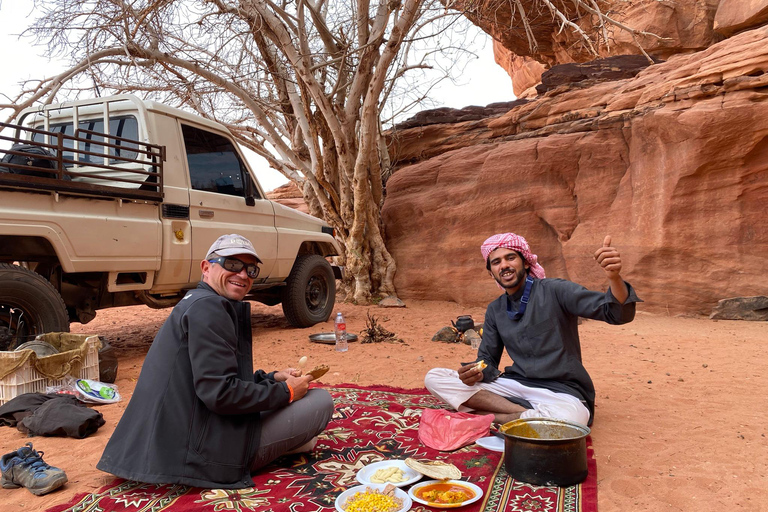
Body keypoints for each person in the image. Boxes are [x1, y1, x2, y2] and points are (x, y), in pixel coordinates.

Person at [97, 234, 334, 489]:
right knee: (320, 402)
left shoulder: (199, 303)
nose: (243, 274)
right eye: (232, 264)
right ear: (206, 267)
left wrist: (272, 378)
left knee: (288, 409)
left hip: (173, 441)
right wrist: (286, 392)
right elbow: (220, 394)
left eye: (250, 269)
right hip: (196, 455)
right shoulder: (210, 310)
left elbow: (216, 378)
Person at [425, 232, 641, 427]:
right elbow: (488, 362)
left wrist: (614, 277)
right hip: (515, 385)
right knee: (435, 377)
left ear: (526, 263)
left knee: (571, 419)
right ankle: (526, 415)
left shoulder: (556, 290)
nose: (504, 266)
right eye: (496, 262)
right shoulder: (495, 310)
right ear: (491, 272)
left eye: (511, 258)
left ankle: (492, 416)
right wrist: (476, 372)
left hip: (561, 391)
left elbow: (616, 313)